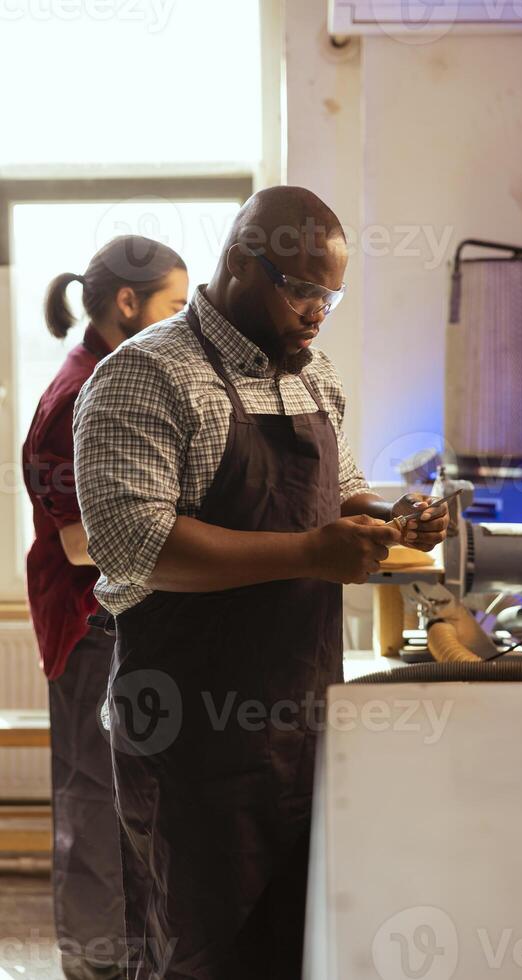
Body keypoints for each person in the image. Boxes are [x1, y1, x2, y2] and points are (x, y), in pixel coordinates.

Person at [72, 187, 449, 980]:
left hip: (302, 722)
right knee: (201, 952)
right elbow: (136, 543)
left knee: (299, 945)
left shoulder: (313, 374)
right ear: (244, 262)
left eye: (332, 295)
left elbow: (339, 485)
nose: (319, 312)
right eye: (304, 289)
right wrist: (312, 554)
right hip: (187, 735)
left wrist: (396, 513)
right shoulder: (143, 375)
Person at [22, 235, 189, 980]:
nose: (182, 326)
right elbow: (83, 542)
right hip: (88, 626)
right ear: (128, 303)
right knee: (93, 811)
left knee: (127, 810)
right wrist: (188, 535)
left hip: (116, 620)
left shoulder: (115, 377)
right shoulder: (76, 396)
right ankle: (96, 973)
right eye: (175, 308)